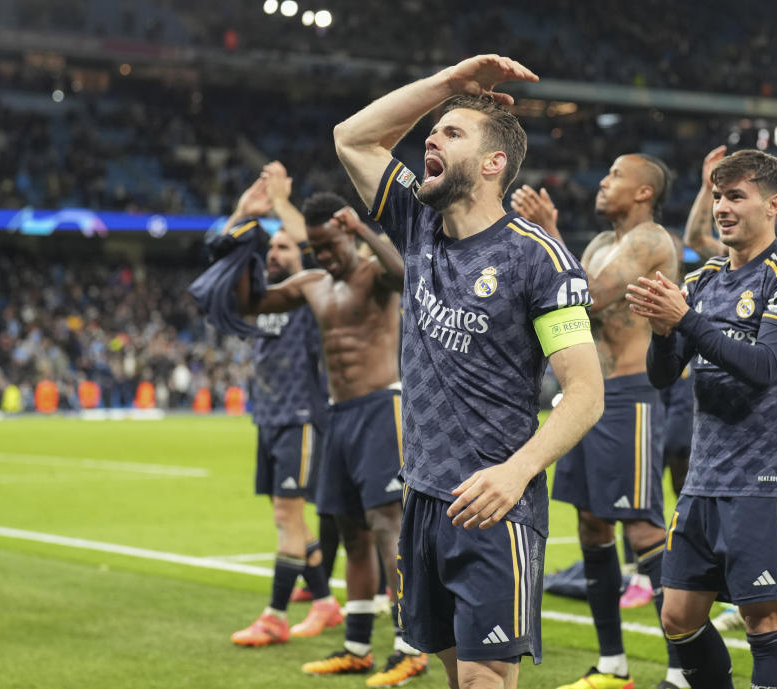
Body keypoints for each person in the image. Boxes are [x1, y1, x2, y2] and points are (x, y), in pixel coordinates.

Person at [334, 54, 604, 689]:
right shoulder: (416, 223)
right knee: (459, 681)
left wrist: (517, 473)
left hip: (494, 506)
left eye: (452, 133)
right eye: (434, 131)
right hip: (424, 499)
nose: (431, 136)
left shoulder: (539, 258)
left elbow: (585, 393)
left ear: (494, 165)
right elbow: (352, 137)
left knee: (486, 682)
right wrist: (447, 86)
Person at [626, 149, 777, 689]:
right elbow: (665, 376)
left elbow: (764, 367)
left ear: (774, 205)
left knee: (764, 620)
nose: (722, 207)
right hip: (702, 480)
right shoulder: (704, 279)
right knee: (677, 617)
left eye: (736, 196)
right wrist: (663, 329)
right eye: (718, 195)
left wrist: (685, 319)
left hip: (763, 481)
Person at [233, 178, 428, 687]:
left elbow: (408, 275)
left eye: (329, 245)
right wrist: (240, 227)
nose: (323, 255)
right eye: (315, 248)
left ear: (349, 235)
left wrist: (364, 226)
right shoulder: (312, 284)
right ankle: (357, 646)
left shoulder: (373, 275)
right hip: (337, 416)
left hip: (382, 406)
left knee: (388, 525)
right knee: (350, 532)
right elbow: (251, 303)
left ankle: (410, 645)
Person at [519, 155, 685, 689]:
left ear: (643, 192)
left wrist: (549, 232)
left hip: (631, 396)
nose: (603, 182)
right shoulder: (594, 244)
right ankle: (613, 664)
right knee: (592, 525)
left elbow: (585, 294)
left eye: (616, 176)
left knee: (641, 526)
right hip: (586, 395)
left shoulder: (651, 241)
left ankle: (683, 668)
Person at [222, 166, 342, 648]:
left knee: (286, 518)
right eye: (270, 248)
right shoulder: (265, 300)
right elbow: (227, 259)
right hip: (268, 419)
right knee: (287, 516)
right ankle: (324, 602)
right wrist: (245, 213)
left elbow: (309, 242)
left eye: (283, 247)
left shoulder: (310, 294)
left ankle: (274, 614)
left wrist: (281, 203)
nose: (274, 253)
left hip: (300, 419)